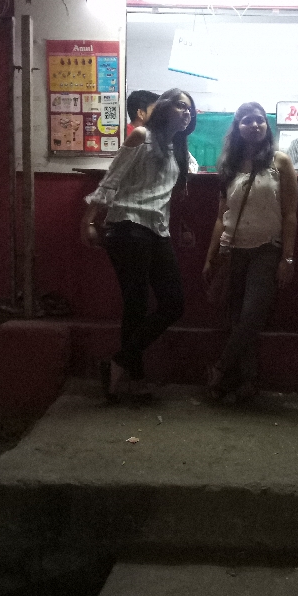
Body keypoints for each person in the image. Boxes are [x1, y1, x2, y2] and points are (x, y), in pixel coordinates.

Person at [81, 88, 197, 401]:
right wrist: (89, 221)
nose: (186, 112)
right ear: (164, 107)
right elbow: (111, 180)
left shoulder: (178, 148)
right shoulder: (142, 136)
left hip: (157, 229)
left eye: (190, 109)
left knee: (173, 304)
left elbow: (185, 178)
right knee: (136, 304)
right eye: (180, 105)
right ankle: (133, 379)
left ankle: (118, 364)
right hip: (128, 225)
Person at [203, 102, 298, 402]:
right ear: (237, 127)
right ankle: (247, 383)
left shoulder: (280, 162)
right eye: (247, 121)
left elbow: (290, 215)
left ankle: (220, 369)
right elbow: (221, 216)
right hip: (232, 249)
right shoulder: (229, 166)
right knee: (236, 319)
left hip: (266, 250)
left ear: (267, 126)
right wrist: (210, 256)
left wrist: (288, 258)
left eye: (259, 120)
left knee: (251, 315)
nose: (254, 125)